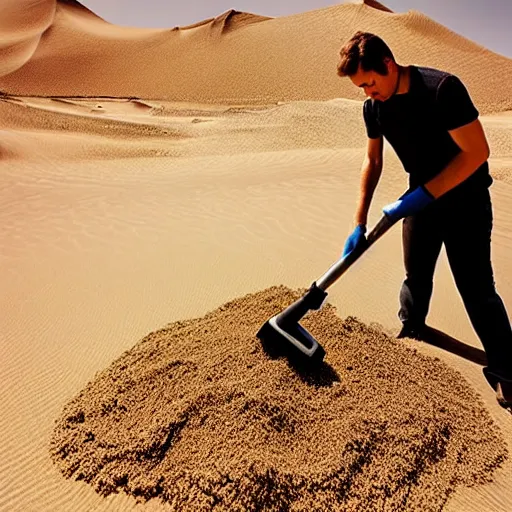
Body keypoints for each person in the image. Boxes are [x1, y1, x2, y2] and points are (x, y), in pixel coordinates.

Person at [336, 31, 512, 409]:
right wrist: (358, 220)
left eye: (369, 83)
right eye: (360, 88)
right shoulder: (375, 108)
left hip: (466, 202)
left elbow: (477, 153)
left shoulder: (441, 89)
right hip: (421, 205)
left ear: (388, 64)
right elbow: (374, 160)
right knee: (416, 275)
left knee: (477, 289)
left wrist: (424, 194)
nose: (368, 92)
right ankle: (412, 329)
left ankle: (506, 369)